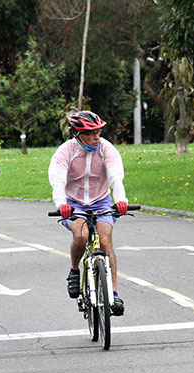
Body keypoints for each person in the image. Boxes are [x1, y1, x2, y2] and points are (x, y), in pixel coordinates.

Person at [49, 110, 130, 316]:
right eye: (91, 133)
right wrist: (61, 204)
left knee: (105, 240)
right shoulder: (65, 151)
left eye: (98, 132)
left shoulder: (106, 149)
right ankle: (75, 271)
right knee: (82, 235)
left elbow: (115, 178)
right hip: (73, 203)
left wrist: (121, 200)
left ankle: (113, 293)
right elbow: (58, 180)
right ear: (77, 134)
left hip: (101, 200)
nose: (96, 137)